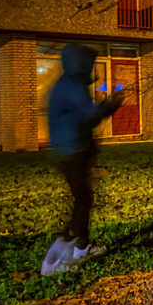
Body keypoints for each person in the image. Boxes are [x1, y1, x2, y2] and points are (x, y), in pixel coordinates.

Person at [40, 44, 123, 277]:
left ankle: (70, 237)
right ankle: (80, 247)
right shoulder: (74, 86)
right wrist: (111, 105)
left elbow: (83, 117)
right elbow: (90, 115)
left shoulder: (65, 84)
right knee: (83, 199)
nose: (92, 69)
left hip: (68, 150)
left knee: (81, 197)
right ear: (83, 64)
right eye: (90, 64)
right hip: (73, 152)